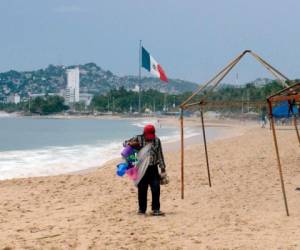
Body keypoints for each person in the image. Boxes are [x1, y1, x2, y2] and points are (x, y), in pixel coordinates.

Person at [124, 124, 166, 216]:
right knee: (142, 189)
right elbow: (124, 143)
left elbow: (160, 155)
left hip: (153, 168)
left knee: (156, 188)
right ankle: (142, 210)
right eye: (148, 136)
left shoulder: (157, 141)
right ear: (144, 133)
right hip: (141, 168)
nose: (150, 138)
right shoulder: (137, 138)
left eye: (151, 136)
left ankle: (156, 209)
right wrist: (130, 144)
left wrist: (163, 169)